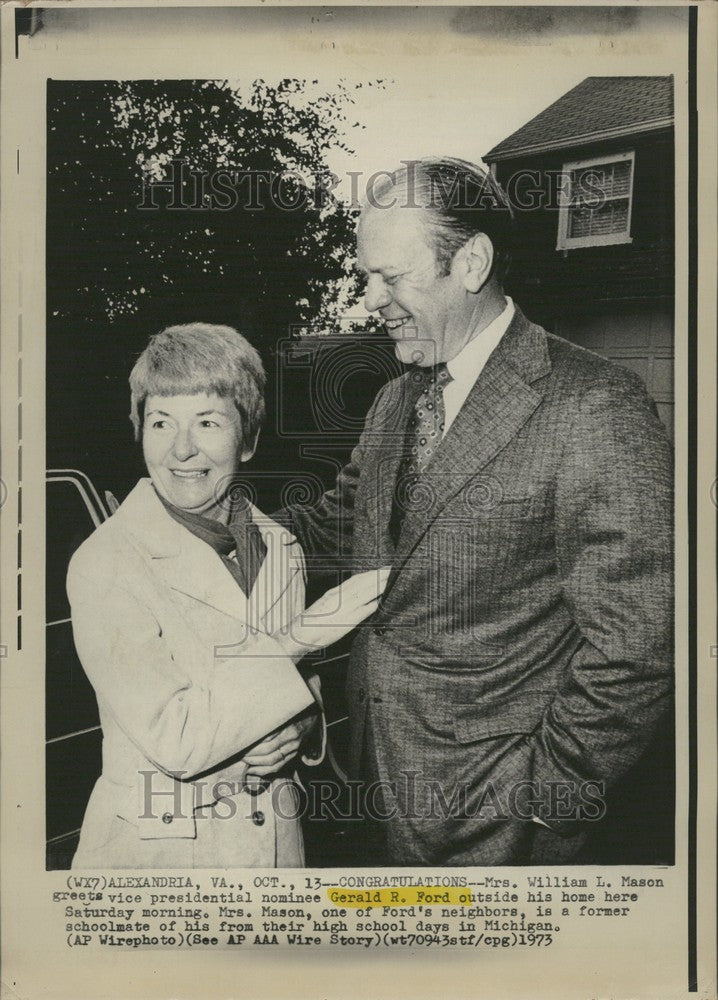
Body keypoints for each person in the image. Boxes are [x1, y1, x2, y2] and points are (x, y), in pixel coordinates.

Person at [278, 157, 674, 866]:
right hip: (376, 784)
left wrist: (546, 804)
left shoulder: (595, 404)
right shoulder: (394, 400)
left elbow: (638, 643)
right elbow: (335, 528)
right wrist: (203, 521)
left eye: (391, 277)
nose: (370, 298)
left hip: (503, 826)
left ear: (471, 261)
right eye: (367, 275)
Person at [67, 323, 387, 868]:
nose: (181, 449)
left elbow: (300, 690)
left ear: (249, 438)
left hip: (276, 846)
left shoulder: (280, 546)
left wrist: (300, 732)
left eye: (208, 422)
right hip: (163, 856)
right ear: (139, 430)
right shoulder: (106, 562)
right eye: (160, 422)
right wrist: (298, 637)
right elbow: (178, 738)